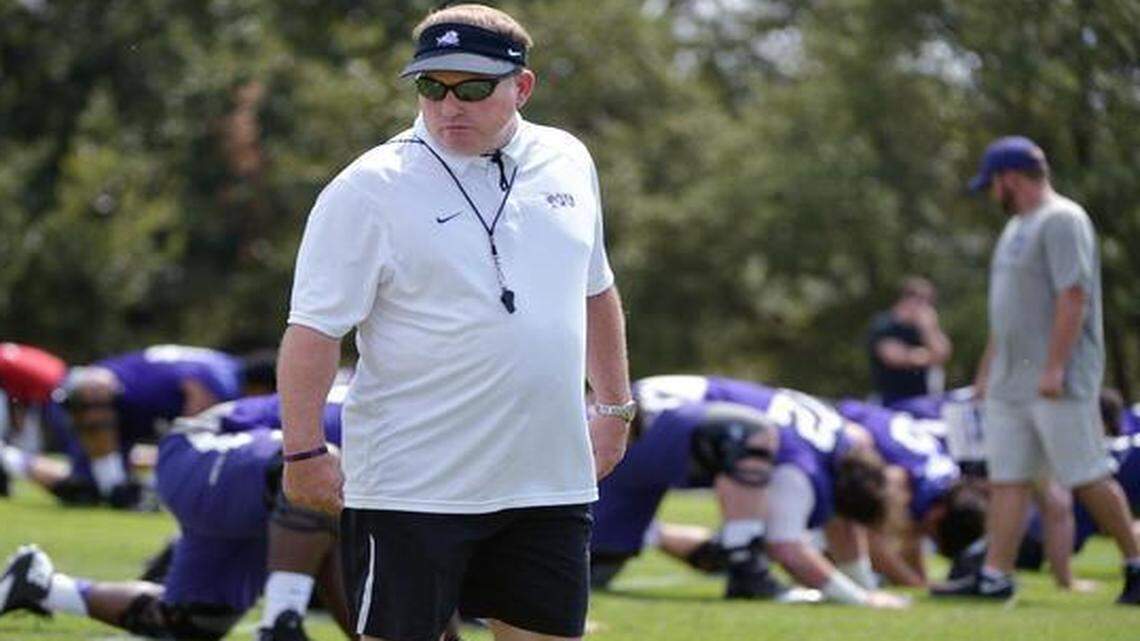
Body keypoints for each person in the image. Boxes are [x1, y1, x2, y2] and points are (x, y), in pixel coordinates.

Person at [278, 5, 632, 641]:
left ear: (521, 87)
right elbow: (313, 330)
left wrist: (614, 409)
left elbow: (596, 290)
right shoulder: (368, 187)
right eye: (430, 87)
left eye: (472, 88)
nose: (448, 107)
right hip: (412, 486)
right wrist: (302, 449)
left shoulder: (569, 159)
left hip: (546, 478)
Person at [934, 135, 1140, 604]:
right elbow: (1007, 313)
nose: (992, 194)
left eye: (993, 184)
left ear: (1011, 178)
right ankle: (994, 577)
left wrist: (1054, 367)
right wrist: (988, 373)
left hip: (1056, 382)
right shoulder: (1015, 228)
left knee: (1085, 473)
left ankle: (1135, 562)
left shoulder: (1063, 220)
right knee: (1007, 478)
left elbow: (1074, 296)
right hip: (1011, 383)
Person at [0, 392, 350, 641]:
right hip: (201, 450)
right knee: (316, 466)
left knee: (193, 621)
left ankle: (43, 586)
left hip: (253, 489)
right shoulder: (385, 423)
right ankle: (279, 625)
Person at [592, 375, 908, 608]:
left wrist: (865, 585)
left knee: (593, 570)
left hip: (639, 424)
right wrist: (861, 599)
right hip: (646, 421)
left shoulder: (848, 444)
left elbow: (845, 527)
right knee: (749, 435)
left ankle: (720, 550)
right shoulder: (802, 466)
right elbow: (787, 549)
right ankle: (747, 572)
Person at [866, 277, 953, 406]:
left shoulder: (925, 327)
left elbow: (943, 354)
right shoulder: (884, 325)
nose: (927, 307)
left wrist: (929, 329)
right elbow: (895, 358)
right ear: (906, 299)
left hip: (923, 399)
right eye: (922, 301)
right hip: (890, 400)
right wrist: (928, 355)